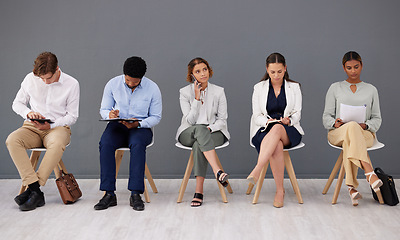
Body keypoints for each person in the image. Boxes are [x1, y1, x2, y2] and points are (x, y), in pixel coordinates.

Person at [6, 52, 80, 211]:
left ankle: (34, 189)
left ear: (57, 69)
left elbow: (72, 116)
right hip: (32, 127)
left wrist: (51, 126)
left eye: (49, 78)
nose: (45, 82)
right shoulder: (30, 78)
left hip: (57, 128)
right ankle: (36, 190)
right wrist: (28, 113)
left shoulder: (72, 83)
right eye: (42, 78)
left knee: (58, 143)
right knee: (12, 140)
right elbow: (17, 104)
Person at [95, 56, 162, 211]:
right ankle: (109, 194)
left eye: (135, 82)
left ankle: (135, 194)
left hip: (140, 127)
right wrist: (109, 115)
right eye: (128, 80)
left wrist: (138, 123)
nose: (131, 84)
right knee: (105, 143)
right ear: (123, 74)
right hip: (117, 126)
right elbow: (104, 109)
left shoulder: (152, 89)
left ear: (142, 78)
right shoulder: (112, 84)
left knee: (138, 145)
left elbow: (156, 117)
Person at [322, 51, 383, 206]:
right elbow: (326, 117)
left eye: (356, 67)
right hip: (338, 133)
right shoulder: (335, 88)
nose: (353, 71)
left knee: (353, 131)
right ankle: (369, 173)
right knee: (350, 128)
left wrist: (366, 125)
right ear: (344, 68)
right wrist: (334, 123)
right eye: (349, 68)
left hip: (365, 134)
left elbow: (377, 118)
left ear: (362, 66)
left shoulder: (371, 90)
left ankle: (351, 188)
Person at [247, 52, 304, 208]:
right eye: (272, 72)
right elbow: (256, 115)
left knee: (279, 128)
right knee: (276, 144)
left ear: (285, 69)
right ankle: (280, 191)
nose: (276, 75)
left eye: (279, 71)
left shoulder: (294, 87)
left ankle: (258, 169)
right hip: (264, 129)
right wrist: (268, 121)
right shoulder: (259, 88)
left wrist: (289, 120)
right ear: (267, 69)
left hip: (289, 130)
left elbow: (297, 113)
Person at [176, 57, 230, 207]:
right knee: (199, 130)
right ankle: (217, 171)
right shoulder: (185, 93)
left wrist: (210, 128)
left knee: (199, 143)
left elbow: (222, 120)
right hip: (188, 132)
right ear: (191, 75)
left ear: (209, 70)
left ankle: (198, 191)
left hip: (214, 132)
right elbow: (191, 121)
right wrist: (197, 98)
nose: (202, 74)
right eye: (198, 71)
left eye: (204, 69)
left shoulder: (219, 91)